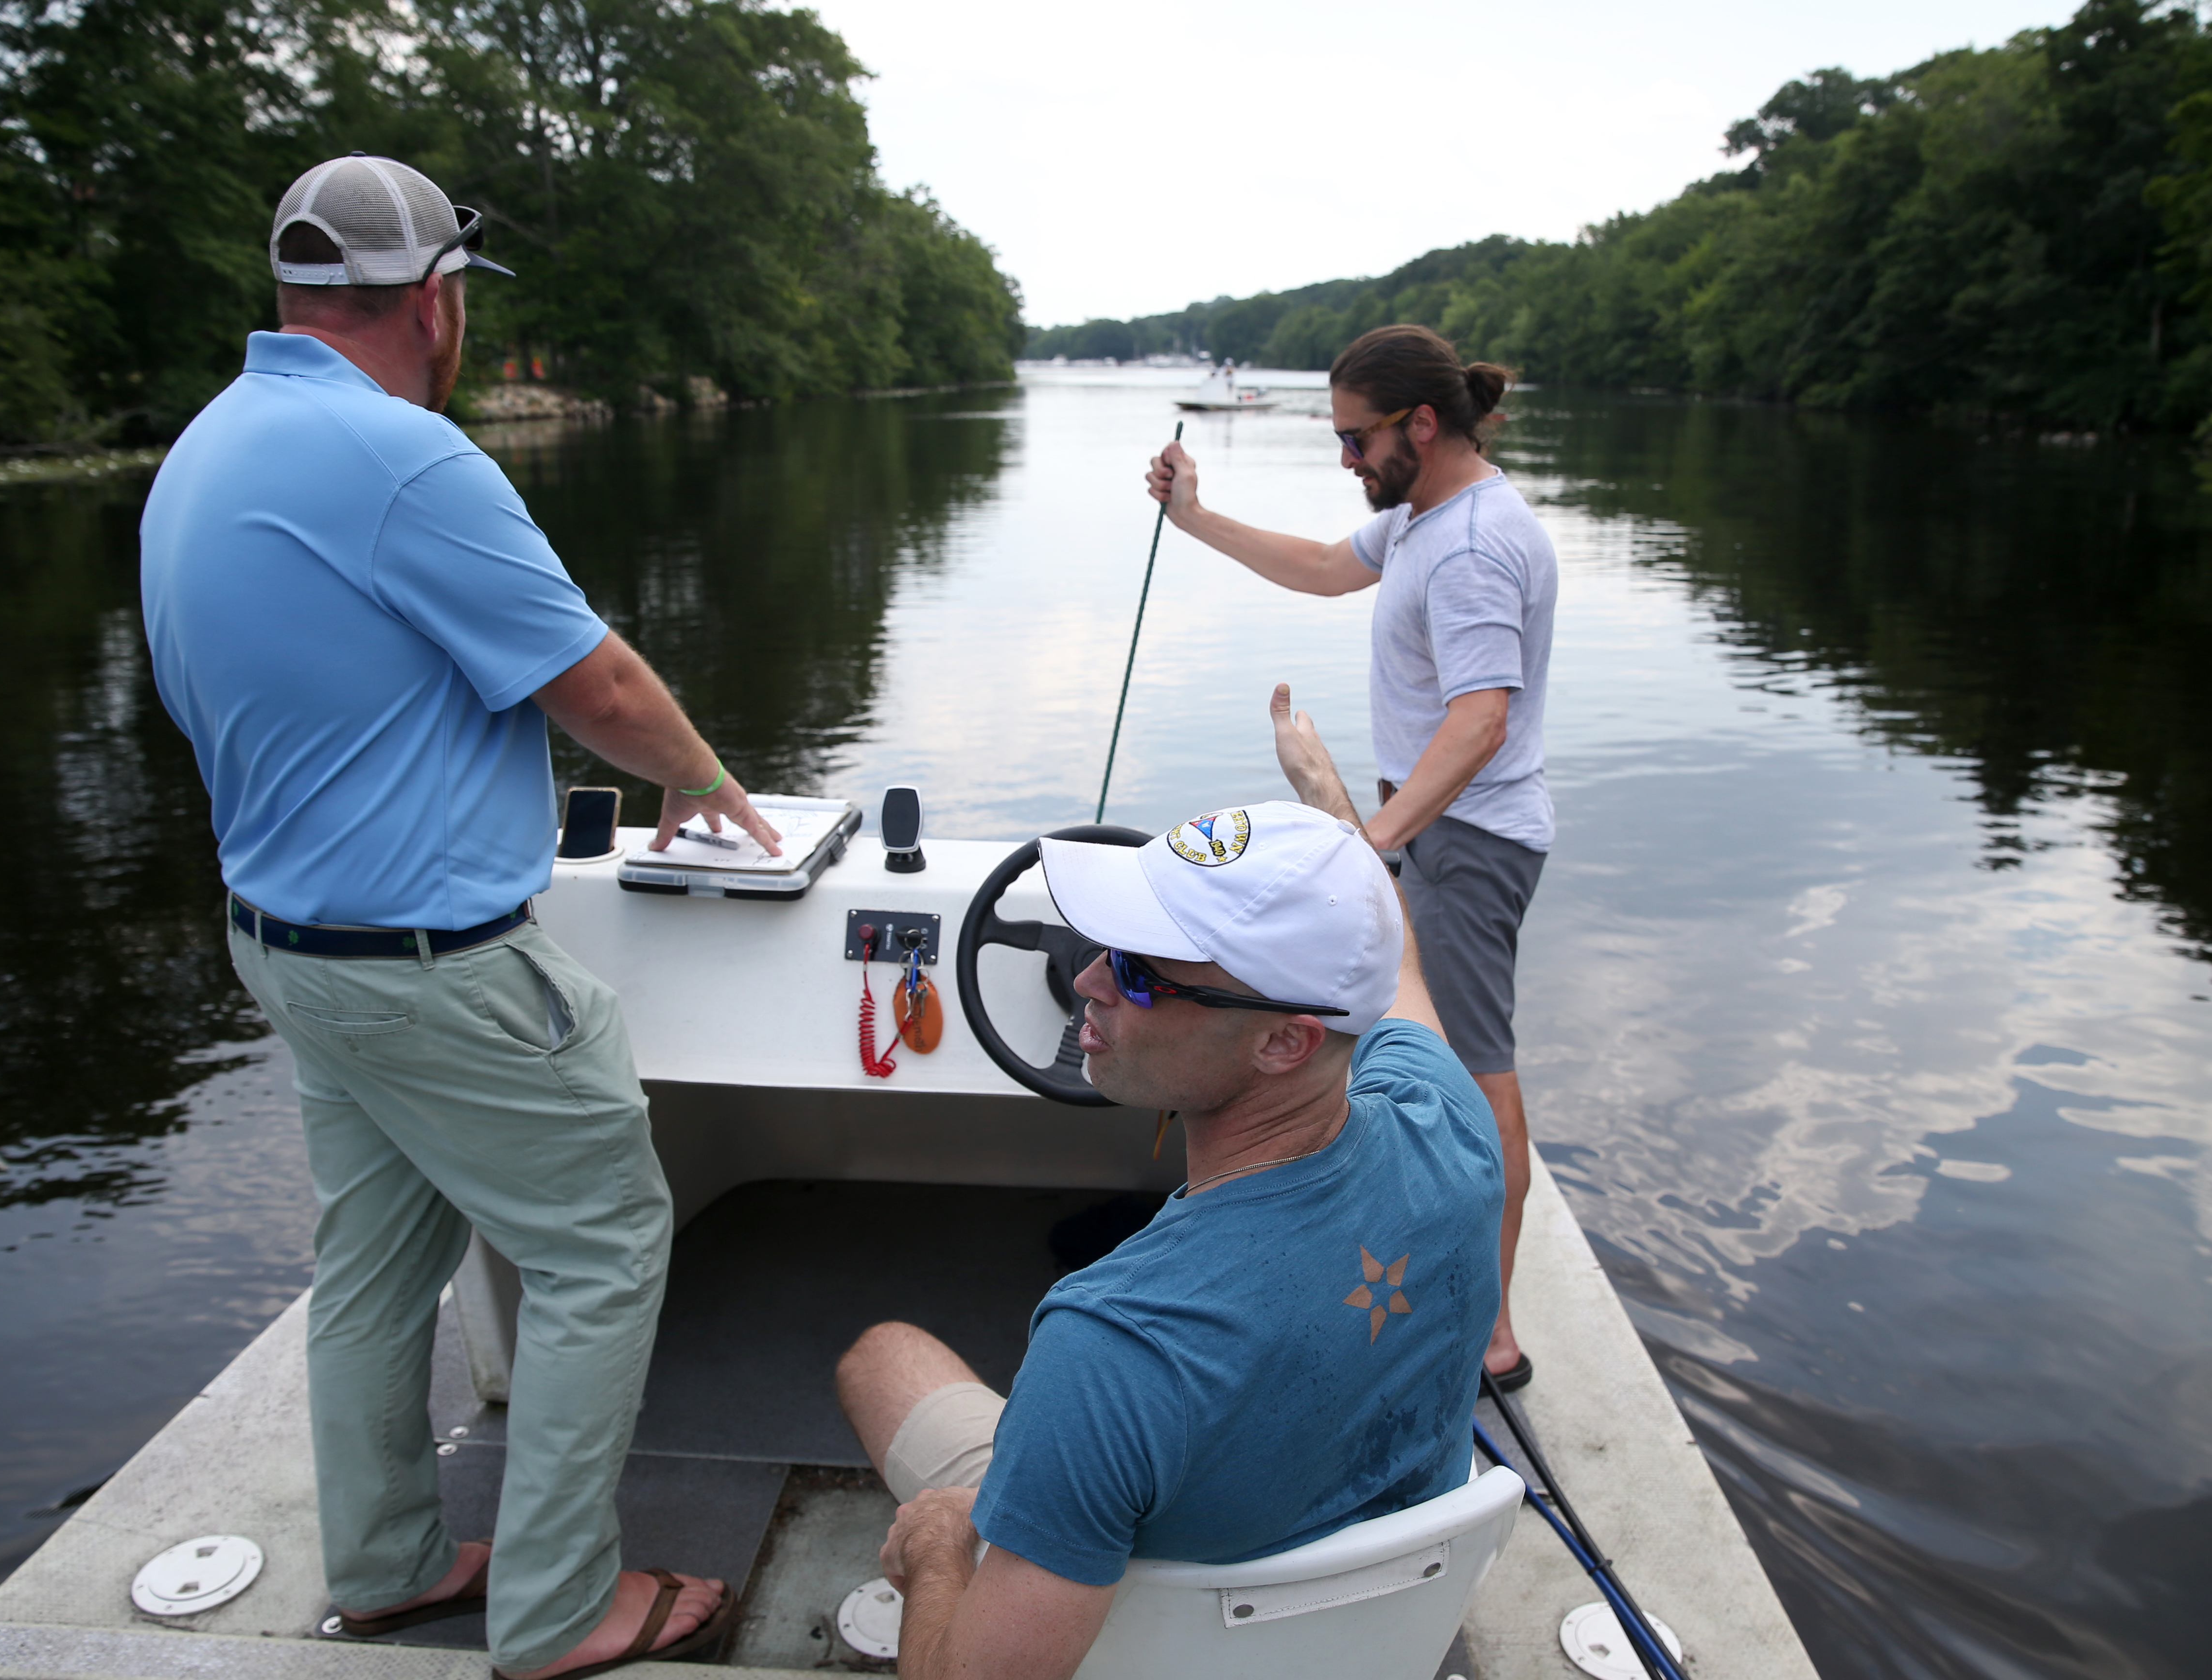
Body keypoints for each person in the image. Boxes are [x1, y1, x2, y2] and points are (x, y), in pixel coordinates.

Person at [138, 152, 779, 1680]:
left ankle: (390, 1563)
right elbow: (600, 684)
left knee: (374, 1262)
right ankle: (562, 1614)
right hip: (431, 969)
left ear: (294, 293)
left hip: (287, 948)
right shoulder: (406, 460)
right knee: (605, 1244)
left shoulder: (208, 448)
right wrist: (703, 779)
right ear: (436, 303)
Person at [831, 699, 1502, 1680]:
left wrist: (937, 1554)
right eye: (1106, 947)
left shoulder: (1109, 1350)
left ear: (1285, 1042)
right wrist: (1329, 811)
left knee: (881, 1359)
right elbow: (1391, 963)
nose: (1091, 981)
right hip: (1374, 1609)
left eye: (1142, 976)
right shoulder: (1449, 1117)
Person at [1143, 323, 1556, 1391]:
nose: (1344, 460)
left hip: (1466, 839)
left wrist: (1368, 844)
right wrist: (1192, 519)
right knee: (1433, 1051)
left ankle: (1494, 1332)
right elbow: (1327, 569)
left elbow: (1481, 723)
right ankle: (1458, 1290)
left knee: (1476, 1073)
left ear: (1422, 423)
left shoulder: (1469, 547)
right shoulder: (1426, 517)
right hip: (1434, 827)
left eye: (1355, 438)